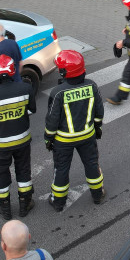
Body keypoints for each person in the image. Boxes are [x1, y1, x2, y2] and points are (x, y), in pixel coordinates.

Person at [45, 50, 105, 212]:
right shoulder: (92, 85)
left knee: (62, 169)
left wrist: (48, 139)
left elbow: (52, 121)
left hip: (64, 140)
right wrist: (97, 127)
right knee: (92, 164)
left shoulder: (57, 93)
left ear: (64, 72)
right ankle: (98, 195)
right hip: (88, 136)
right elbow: (99, 111)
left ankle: (58, 202)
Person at [0, 55, 37, 220]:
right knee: (23, 170)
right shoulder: (25, 89)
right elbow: (32, 110)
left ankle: (4, 208)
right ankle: (25, 204)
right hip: (22, 140)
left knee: (1, 173)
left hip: (0, 144)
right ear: (12, 71)